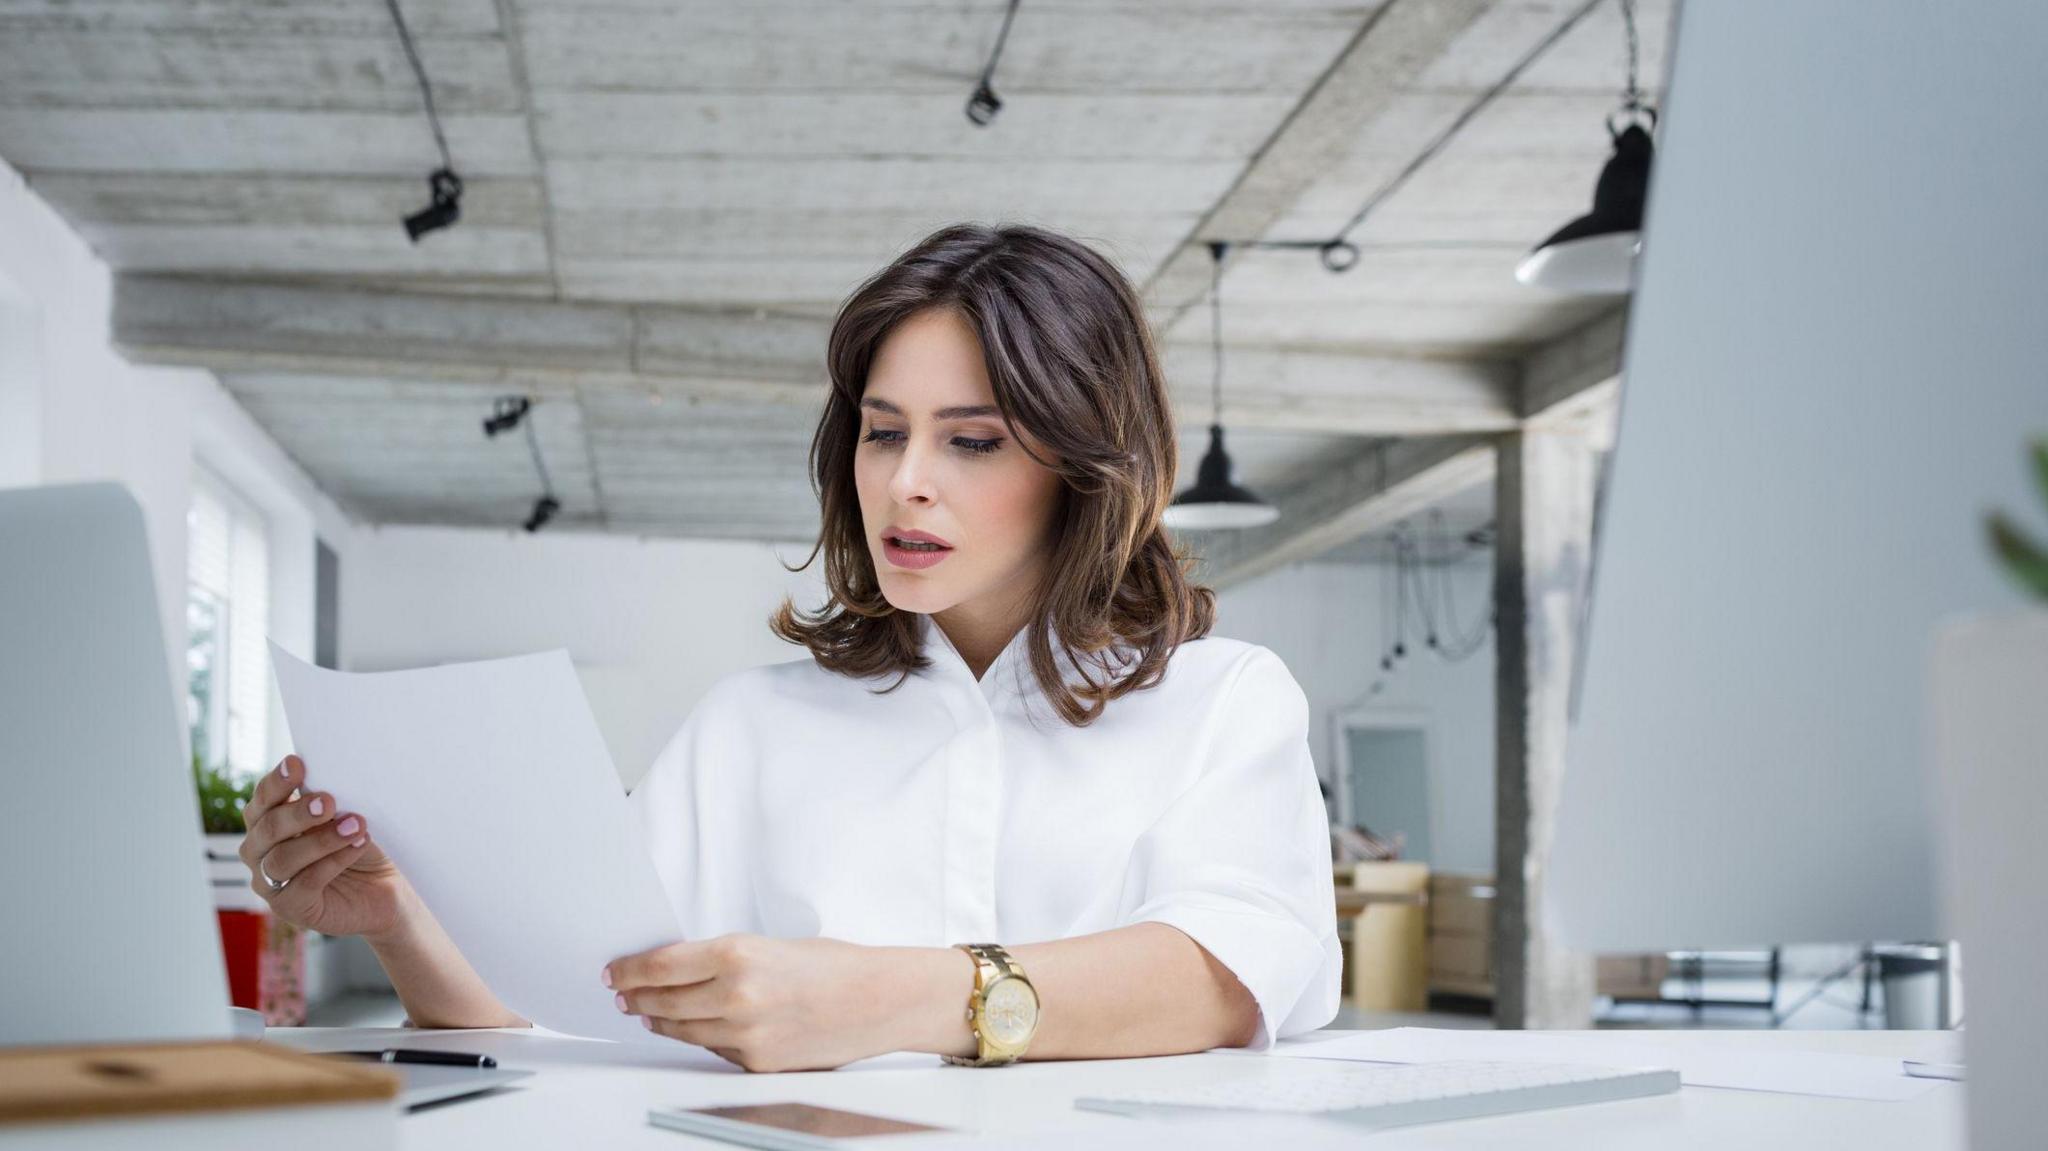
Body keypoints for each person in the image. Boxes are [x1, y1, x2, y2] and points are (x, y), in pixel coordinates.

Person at [238, 224, 1341, 1073]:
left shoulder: (1222, 699)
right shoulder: (751, 723)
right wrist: (397, 924)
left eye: (971, 440)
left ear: (1087, 464)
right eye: (881, 428)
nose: (906, 477)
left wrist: (889, 997)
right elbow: (574, 1012)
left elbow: (1230, 970)